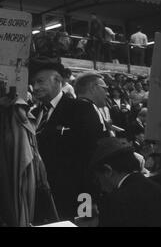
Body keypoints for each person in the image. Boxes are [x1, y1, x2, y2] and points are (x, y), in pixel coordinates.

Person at [29, 58, 107, 220]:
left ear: (57, 81)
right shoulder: (34, 114)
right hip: (43, 197)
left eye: (40, 81)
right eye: (33, 82)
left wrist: (87, 201)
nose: (35, 87)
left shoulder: (80, 109)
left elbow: (94, 155)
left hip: (75, 197)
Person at [90, 137, 161, 227]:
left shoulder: (113, 203)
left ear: (108, 171)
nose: (101, 186)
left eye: (98, 178)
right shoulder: (157, 188)